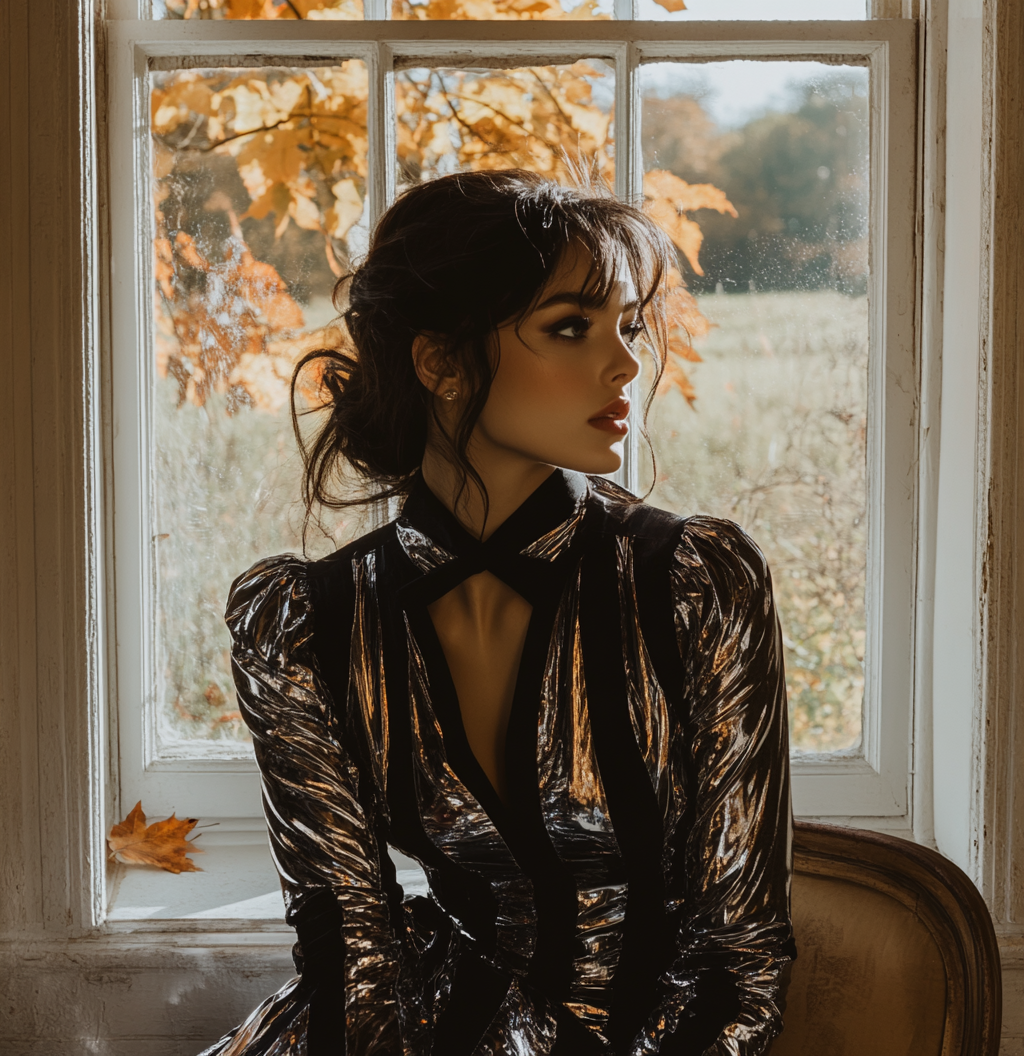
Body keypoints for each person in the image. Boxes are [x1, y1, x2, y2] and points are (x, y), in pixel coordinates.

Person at [205, 169, 795, 1056]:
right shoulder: (307, 623)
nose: (626, 363)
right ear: (440, 361)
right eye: (571, 328)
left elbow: (740, 959)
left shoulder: (693, 584)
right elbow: (348, 955)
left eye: (629, 325)